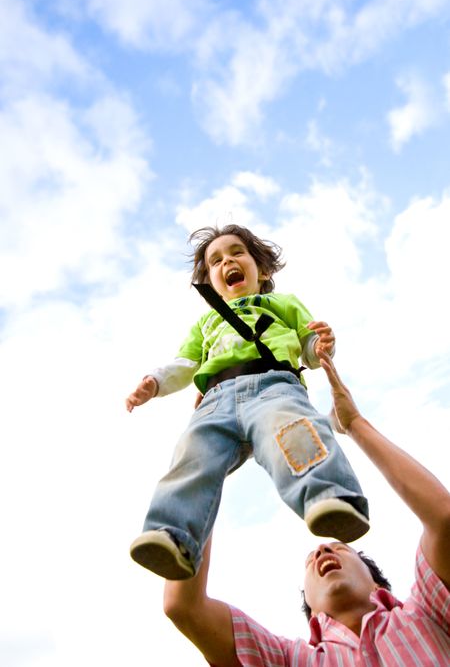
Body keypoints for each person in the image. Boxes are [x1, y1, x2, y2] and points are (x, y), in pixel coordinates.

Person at [162, 350, 450, 666]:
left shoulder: (427, 615)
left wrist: (354, 424)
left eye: (342, 548)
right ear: (310, 607)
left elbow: (443, 517)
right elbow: (184, 607)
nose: (323, 549)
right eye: (314, 558)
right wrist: (209, 463)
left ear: (379, 585)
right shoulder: (289, 659)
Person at [125, 225, 369, 580]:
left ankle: (330, 497)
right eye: (216, 261)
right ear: (210, 282)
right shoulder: (206, 322)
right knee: (193, 455)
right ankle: (172, 534)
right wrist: (155, 382)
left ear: (263, 270)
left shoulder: (282, 303)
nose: (228, 262)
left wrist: (321, 346)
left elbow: (308, 346)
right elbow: (185, 364)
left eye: (237, 253)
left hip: (273, 384)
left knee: (294, 430)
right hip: (215, 399)